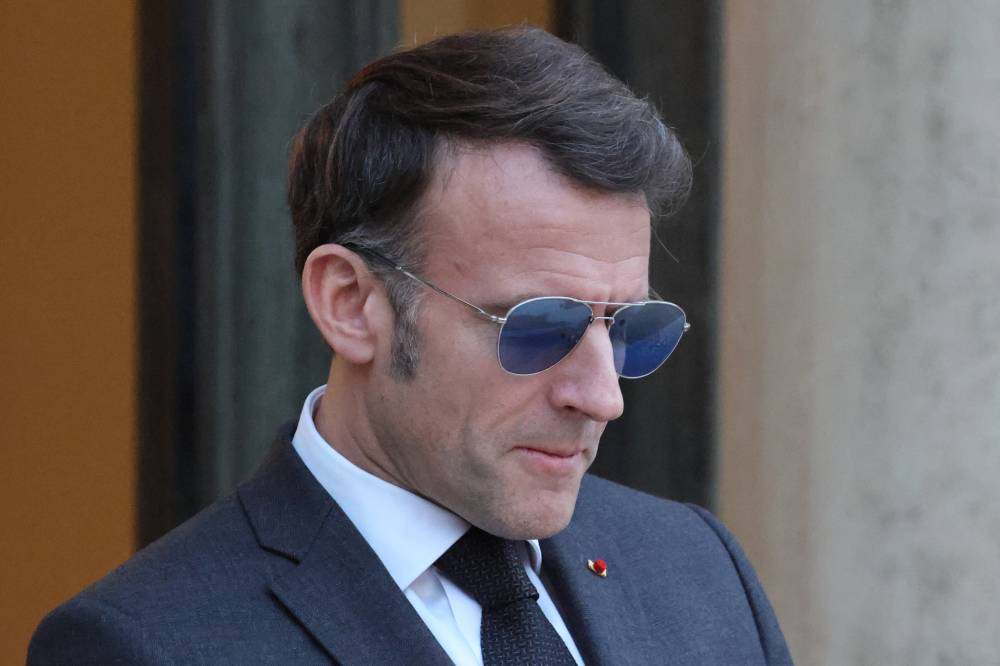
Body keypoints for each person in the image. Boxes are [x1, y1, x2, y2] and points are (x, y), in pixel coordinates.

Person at [29, 27, 792, 665]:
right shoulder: (145, 645)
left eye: (630, 329)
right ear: (351, 304)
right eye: (539, 328)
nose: (602, 395)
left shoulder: (697, 571)